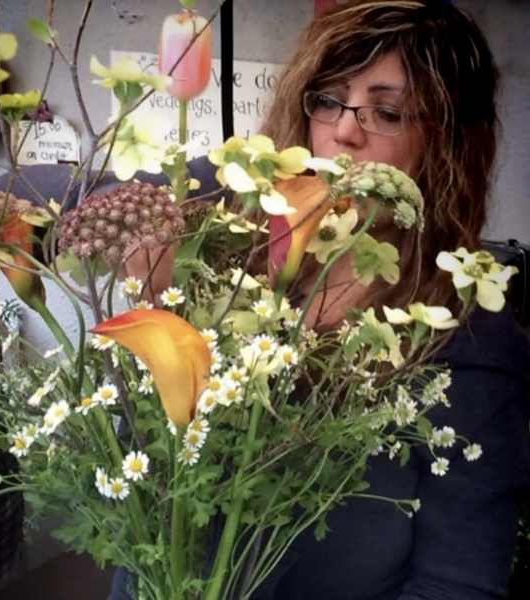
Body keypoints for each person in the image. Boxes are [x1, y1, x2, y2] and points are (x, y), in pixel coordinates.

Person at [104, 1, 528, 598]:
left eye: (387, 112)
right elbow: (62, 197)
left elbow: (457, 583)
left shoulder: (470, 336)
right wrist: (133, 240)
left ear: (448, 144)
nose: (344, 131)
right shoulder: (237, 222)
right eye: (327, 99)